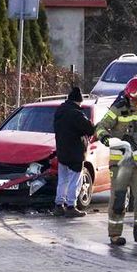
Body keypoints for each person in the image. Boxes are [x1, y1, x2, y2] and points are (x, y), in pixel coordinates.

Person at [95, 77, 137, 246]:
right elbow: (101, 127)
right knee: (118, 200)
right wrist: (106, 139)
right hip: (120, 165)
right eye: (134, 99)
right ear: (128, 96)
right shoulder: (117, 110)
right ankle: (115, 234)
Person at [53, 87, 95, 218]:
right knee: (74, 181)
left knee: (62, 180)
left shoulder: (60, 111)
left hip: (62, 151)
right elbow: (89, 129)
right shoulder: (77, 114)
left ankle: (59, 205)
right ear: (78, 101)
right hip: (75, 153)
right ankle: (71, 206)